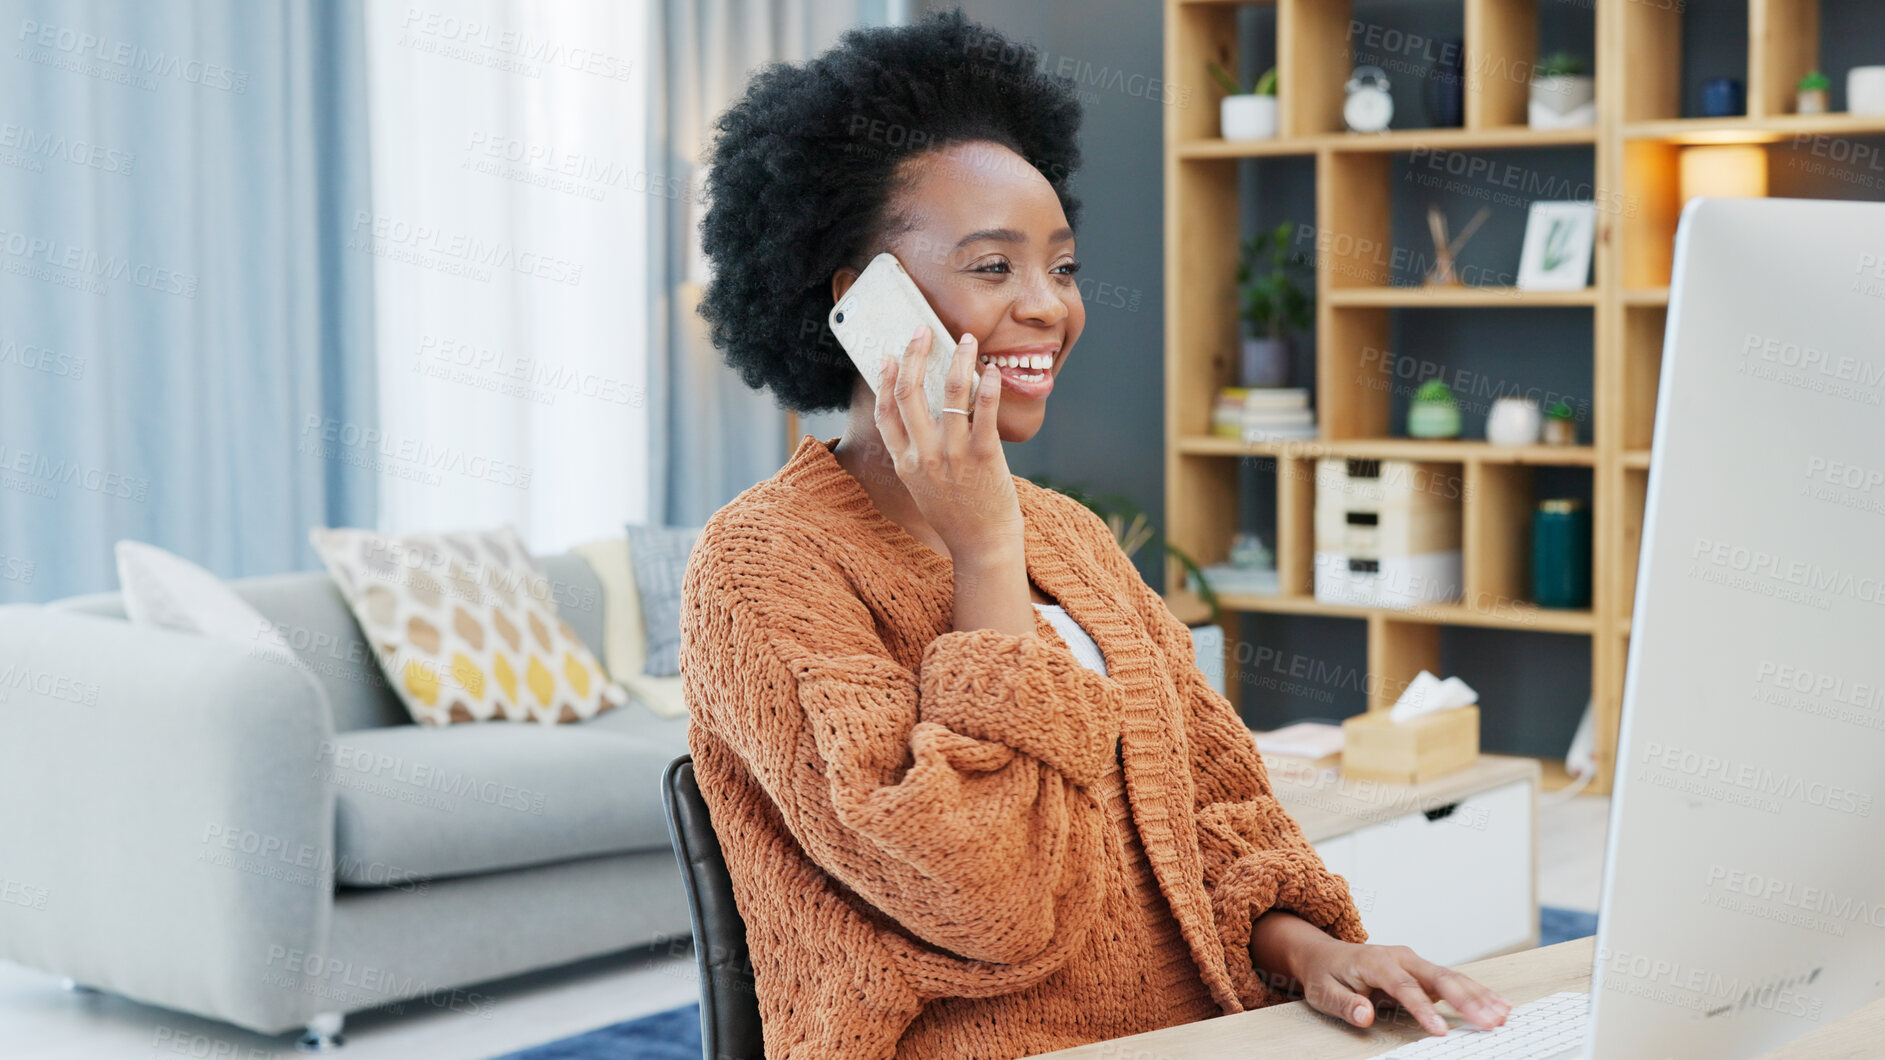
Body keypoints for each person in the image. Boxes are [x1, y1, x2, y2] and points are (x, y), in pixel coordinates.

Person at [680, 12, 1510, 1058]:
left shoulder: (1069, 539)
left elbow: (1215, 806)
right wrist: (983, 555)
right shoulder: (763, 566)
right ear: (860, 302)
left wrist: (1309, 949)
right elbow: (988, 901)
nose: (1047, 308)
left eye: (1062, 269)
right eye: (993, 268)